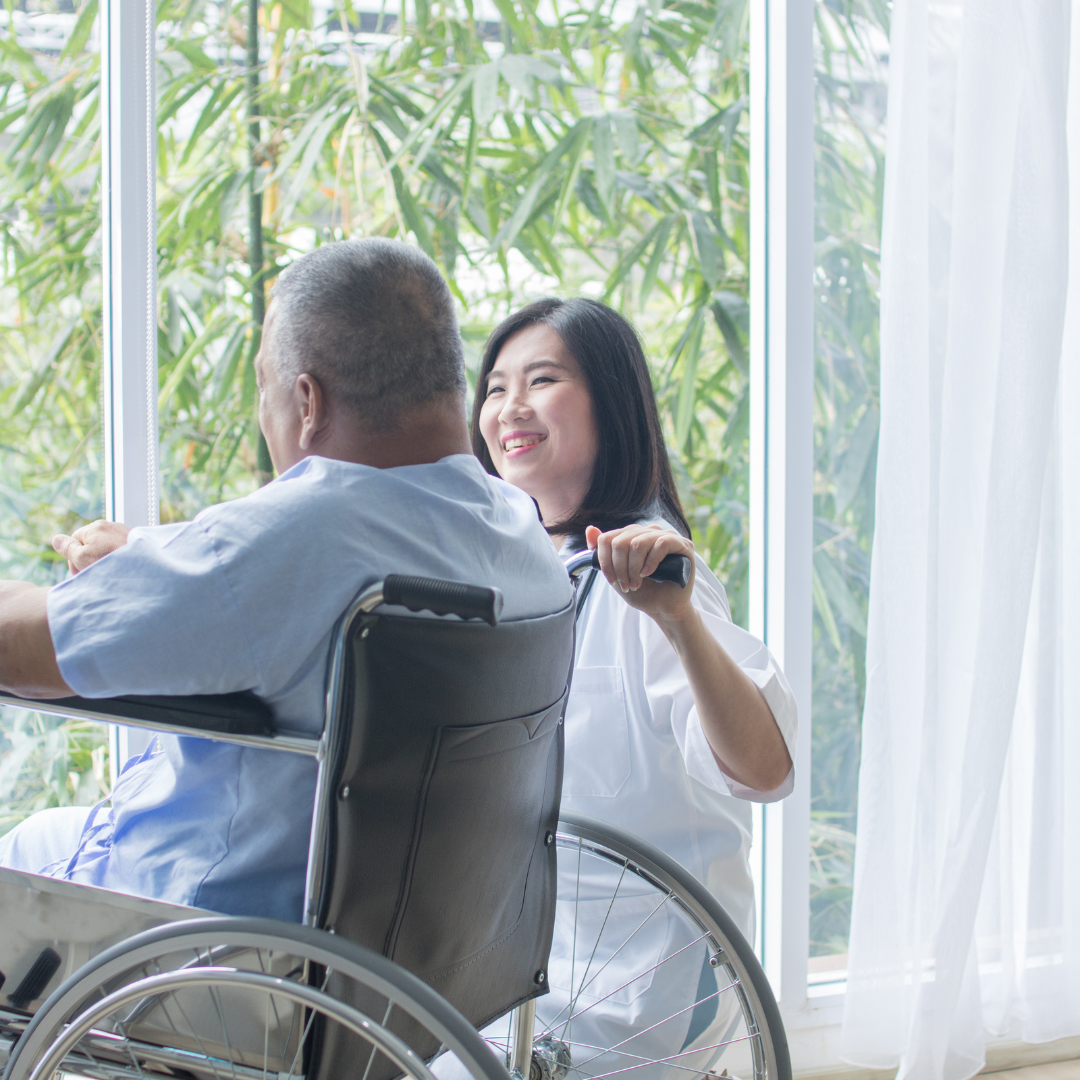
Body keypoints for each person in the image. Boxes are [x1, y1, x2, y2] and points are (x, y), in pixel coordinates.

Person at [0, 239, 573, 921]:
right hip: (414, 950)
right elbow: (261, 573)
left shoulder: (301, 534)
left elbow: (21, 650)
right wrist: (157, 555)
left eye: (263, 388)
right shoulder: (519, 531)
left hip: (196, 941)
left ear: (307, 400)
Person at [472, 297, 797, 1075]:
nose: (509, 406)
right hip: (508, 968)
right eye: (492, 387)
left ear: (612, 405)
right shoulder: (503, 564)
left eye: (542, 380)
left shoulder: (655, 582)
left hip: (639, 990)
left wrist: (678, 618)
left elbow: (764, 770)